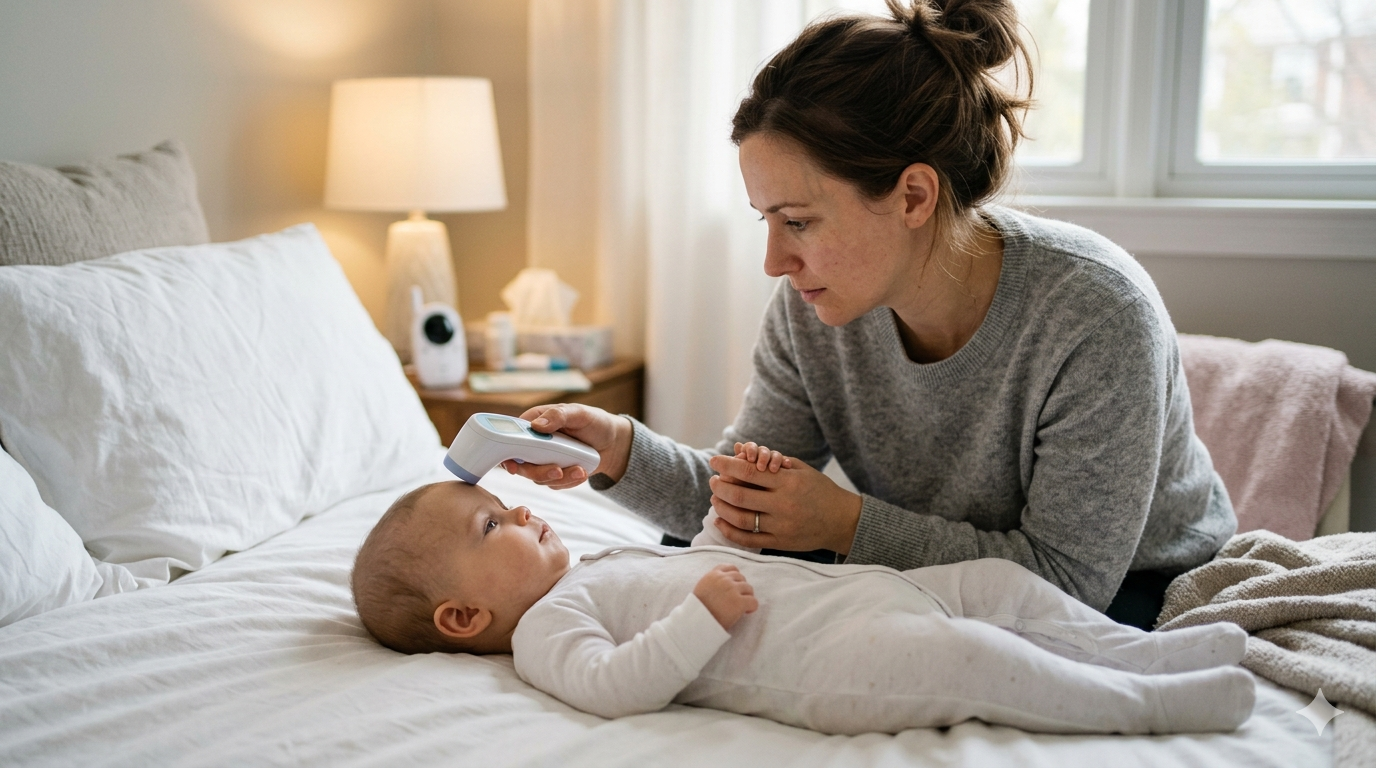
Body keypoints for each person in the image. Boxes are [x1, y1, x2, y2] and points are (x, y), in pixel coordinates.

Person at [501, 0, 1236, 631]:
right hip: (946, 569)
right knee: (695, 573)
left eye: (798, 221)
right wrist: (617, 451)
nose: (774, 262)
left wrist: (845, 526)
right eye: (765, 220)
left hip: (1134, 582)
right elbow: (738, 504)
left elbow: (1068, 584)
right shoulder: (813, 309)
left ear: (914, 196)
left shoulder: (1097, 313)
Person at [349, 478, 1255, 735]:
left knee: (999, 585)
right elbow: (613, 687)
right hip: (834, 664)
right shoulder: (546, 632)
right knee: (977, 659)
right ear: (462, 617)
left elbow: (702, 569)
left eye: (507, 505)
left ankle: (1142, 653)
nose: (522, 512)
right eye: (493, 525)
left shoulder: (591, 565)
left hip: (863, 595)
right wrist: (700, 615)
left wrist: (720, 529)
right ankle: (1149, 706)